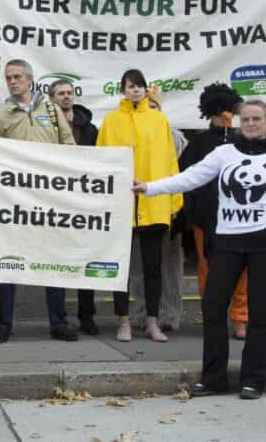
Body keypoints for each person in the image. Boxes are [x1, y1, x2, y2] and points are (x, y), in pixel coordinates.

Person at [133, 99, 266, 399]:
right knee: (212, 307)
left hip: (265, 243)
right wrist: (149, 187)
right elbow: (191, 177)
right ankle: (213, 378)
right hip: (226, 242)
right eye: (246, 119)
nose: (250, 123)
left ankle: (254, 379)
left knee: (259, 313)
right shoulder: (225, 153)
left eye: (257, 119)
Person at [0, 60, 76, 342]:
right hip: (14, 203)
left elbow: (69, 147)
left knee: (53, 261)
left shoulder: (52, 111)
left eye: (17, 77)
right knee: (7, 263)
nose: (12, 82)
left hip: (49, 201)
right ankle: (3, 324)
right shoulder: (2, 118)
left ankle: (58, 323)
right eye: (8, 78)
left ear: (29, 80)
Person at [97, 69, 181, 343]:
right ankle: (123, 322)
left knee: (153, 267)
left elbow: (170, 161)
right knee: (120, 267)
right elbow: (101, 161)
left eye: (140, 86)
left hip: (153, 203)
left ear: (145, 90)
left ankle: (152, 322)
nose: (135, 90)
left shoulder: (159, 121)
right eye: (130, 86)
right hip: (120, 205)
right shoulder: (110, 122)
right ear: (122, 90)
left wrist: (174, 199)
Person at [178, 83, 247, 339]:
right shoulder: (199, 144)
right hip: (206, 218)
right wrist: (188, 210)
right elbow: (184, 176)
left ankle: (240, 318)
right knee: (208, 269)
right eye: (220, 113)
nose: (225, 117)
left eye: (229, 112)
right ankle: (212, 317)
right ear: (210, 114)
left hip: (239, 217)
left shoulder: (243, 142)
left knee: (241, 271)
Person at [129, 87, 187, 333]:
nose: (150, 111)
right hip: (138, 211)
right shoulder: (129, 132)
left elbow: (180, 174)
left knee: (169, 266)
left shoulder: (173, 137)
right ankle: (142, 312)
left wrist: (175, 207)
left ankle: (169, 314)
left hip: (164, 210)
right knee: (140, 266)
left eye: (154, 107)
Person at [48, 78, 99, 336]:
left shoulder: (90, 130)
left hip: (84, 204)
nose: (66, 97)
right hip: (55, 204)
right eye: (60, 94)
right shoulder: (45, 128)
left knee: (85, 260)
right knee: (56, 262)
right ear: (51, 98)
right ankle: (58, 319)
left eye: (69, 93)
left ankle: (86, 315)